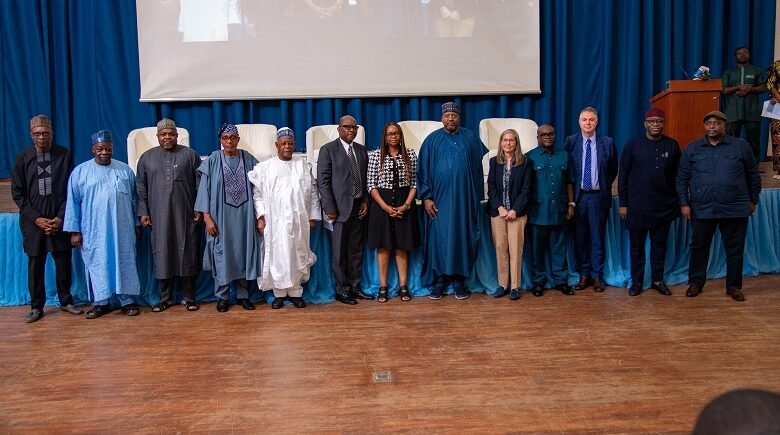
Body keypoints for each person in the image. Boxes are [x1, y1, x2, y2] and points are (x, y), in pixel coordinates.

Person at [677, 111, 761, 302]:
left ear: (724, 125)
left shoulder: (741, 147)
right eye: (708, 124)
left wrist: (753, 200)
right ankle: (696, 283)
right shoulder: (693, 148)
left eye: (716, 123)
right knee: (699, 247)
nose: (712, 127)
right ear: (704, 127)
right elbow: (682, 178)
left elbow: (753, 176)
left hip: (735, 208)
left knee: (734, 249)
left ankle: (733, 287)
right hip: (702, 208)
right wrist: (684, 203)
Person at [63, 130, 142, 319]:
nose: (104, 152)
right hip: (93, 230)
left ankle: (127, 301)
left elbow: (134, 200)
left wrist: (137, 224)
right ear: (93, 149)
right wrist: (75, 231)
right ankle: (101, 303)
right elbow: (72, 203)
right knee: (98, 263)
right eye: (100, 149)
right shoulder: (80, 172)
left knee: (124, 262)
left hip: (122, 229)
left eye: (108, 148)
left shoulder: (124, 170)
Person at [11, 115, 82, 323]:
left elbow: (70, 189)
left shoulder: (63, 155)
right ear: (31, 135)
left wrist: (60, 218)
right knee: (36, 264)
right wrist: (37, 219)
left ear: (52, 134)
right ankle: (36, 306)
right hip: (33, 224)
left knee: (63, 261)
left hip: (59, 221)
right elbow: (18, 194)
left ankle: (66, 301)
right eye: (37, 134)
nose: (42, 137)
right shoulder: (22, 158)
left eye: (46, 133)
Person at [417, 101, 487, 299]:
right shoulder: (431, 141)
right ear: (442, 118)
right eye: (447, 115)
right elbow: (421, 172)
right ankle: (439, 281)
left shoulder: (471, 139)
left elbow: (477, 171)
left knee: (461, 238)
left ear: (459, 117)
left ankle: (458, 281)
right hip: (439, 202)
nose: (450, 118)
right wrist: (427, 197)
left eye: (454, 115)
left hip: (464, 201)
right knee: (438, 241)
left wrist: (476, 198)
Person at [248, 127, 320, 309]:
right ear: (277, 145)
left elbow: (312, 193)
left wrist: (312, 217)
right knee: (278, 256)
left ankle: (295, 293)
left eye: (290, 143)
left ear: (294, 145)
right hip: (275, 221)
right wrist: (261, 216)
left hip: (299, 220)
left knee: (297, 254)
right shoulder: (265, 168)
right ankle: (279, 294)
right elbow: (258, 195)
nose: (287, 147)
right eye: (283, 144)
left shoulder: (302, 165)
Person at [136, 118, 203, 312]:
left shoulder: (190, 155)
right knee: (162, 253)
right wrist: (143, 212)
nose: (167, 137)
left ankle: (189, 297)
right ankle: (165, 298)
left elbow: (200, 185)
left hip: (185, 215)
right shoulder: (147, 157)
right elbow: (140, 187)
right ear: (157, 137)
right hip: (158, 215)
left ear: (176, 136)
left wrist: (198, 208)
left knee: (187, 253)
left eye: (171, 134)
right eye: (163, 134)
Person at [195, 123, 263, 312]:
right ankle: (223, 296)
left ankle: (243, 296)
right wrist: (207, 218)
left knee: (242, 253)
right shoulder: (212, 160)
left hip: (244, 217)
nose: (229, 141)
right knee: (222, 254)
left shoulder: (248, 159)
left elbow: (258, 189)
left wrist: (260, 215)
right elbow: (204, 192)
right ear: (220, 140)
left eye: (233, 138)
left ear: (238, 140)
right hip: (220, 218)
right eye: (225, 138)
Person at [618, 108, 681, 296]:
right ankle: (636, 283)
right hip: (637, 206)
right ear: (645, 123)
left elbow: (678, 176)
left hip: (663, 206)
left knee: (659, 245)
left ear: (663, 123)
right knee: (636, 247)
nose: (655, 124)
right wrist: (623, 203)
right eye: (652, 121)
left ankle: (657, 280)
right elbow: (623, 175)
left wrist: (679, 201)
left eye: (659, 121)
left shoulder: (672, 146)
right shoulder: (632, 145)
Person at [317, 115, 373, 305]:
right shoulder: (328, 150)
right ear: (339, 129)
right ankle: (342, 290)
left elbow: (365, 180)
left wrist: (365, 201)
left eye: (354, 128)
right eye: (347, 127)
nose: (351, 130)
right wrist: (329, 208)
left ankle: (355, 288)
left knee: (355, 251)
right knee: (339, 252)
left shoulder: (361, 150)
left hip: (359, 208)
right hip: (339, 210)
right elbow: (323, 182)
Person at [565, 107, 618, 292]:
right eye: (584, 119)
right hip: (578, 199)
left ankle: (597, 276)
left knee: (597, 238)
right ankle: (584, 275)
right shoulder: (571, 142)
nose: (587, 123)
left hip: (597, 197)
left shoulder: (608, 142)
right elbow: (568, 170)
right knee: (580, 239)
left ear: (597, 122)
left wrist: (600, 185)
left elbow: (612, 170)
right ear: (579, 122)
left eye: (591, 120)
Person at [366, 122, 420, 303]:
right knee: (383, 246)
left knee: (401, 245)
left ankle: (403, 285)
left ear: (401, 135)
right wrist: (385, 207)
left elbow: (414, 183)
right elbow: (371, 185)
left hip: (405, 203)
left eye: (396, 133)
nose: (394, 136)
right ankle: (383, 286)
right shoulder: (375, 155)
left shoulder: (410, 154)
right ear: (385, 137)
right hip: (381, 205)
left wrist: (406, 205)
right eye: (390, 134)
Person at [526, 124, 575, 297]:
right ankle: (538, 282)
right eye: (543, 134)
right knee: (537, 251)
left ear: (555, 136)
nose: (547, 137)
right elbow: (525, 187)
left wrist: (571, 204)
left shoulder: (564, 156)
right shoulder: (529, 157)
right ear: (538, 137)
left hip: (559, 211)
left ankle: (561, 281)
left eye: (551, 134)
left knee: (559, 248)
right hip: (537, 213)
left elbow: (569, 181)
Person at [485, 129, 530, 300]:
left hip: (517, 214)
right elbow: (491, 187)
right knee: (500, 248)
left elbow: (526, 190)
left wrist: (514, 210)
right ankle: (502, 284)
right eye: (505, 140)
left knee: (515, 249)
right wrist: (500, 208)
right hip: (498, 213)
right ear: (501, 142)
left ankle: (515, 286)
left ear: (516, 143)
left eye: (511, 140)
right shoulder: (494, 162)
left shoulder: (525, 163)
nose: (508, 143)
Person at [721, 47, 767, 164]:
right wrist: (738, 87)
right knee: (730, 139)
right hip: (733, 111)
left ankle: (754, 166)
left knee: (754, 141)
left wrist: (749, 89)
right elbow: (724, 90)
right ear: (735, 57)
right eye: (739, 53)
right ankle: (729, 163)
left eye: (745, 53)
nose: (742, 55)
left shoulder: (756, 70)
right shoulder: (729, 72)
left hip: (751, 111)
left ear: (749, 55)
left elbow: (764, 87)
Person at [767, 59, 780, 179]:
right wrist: (778, 96)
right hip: (778, 104)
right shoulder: (776, 65)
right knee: (778, 138)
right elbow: (771, 84)